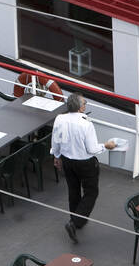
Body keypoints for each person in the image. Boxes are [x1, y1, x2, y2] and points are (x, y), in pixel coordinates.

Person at [50, 93, 117, 243]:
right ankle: (75, 223)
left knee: (73, 190)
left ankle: (74, 219)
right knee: (91, 192)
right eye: (85, 102)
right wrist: (107, 145)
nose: (85, 104)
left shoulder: (59, 119)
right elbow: (92, 149)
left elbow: (56, 140)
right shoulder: (86, 124)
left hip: (67, 161)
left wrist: (56, 156)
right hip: (85, 164)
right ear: (81, 107)